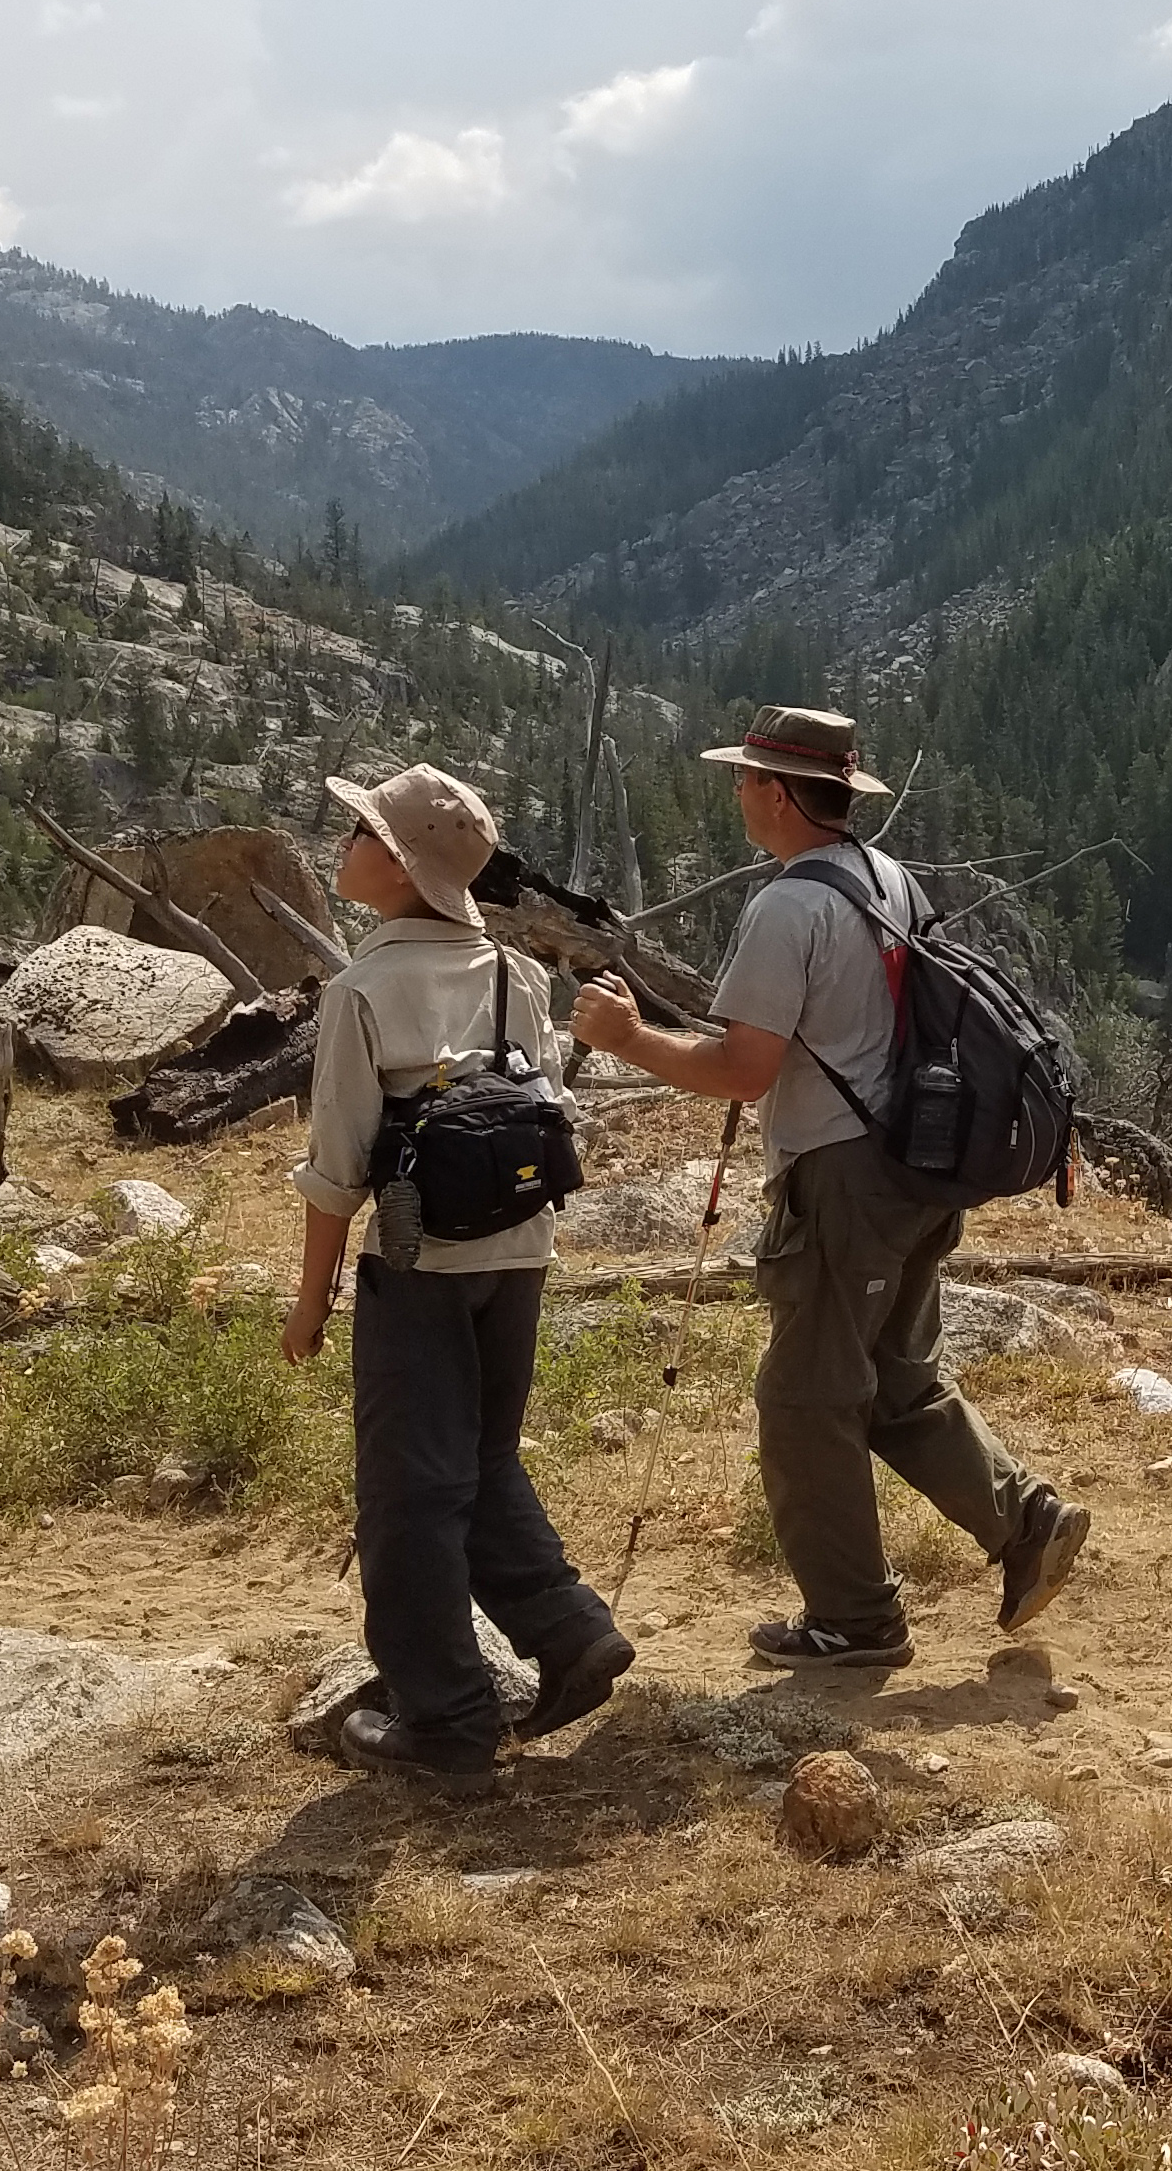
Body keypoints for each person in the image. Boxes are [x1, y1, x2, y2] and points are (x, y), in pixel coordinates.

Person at [564, 704, 1088, 1670]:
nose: (735, 793)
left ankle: (855, 1619)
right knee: (894, 1383)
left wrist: (627, 1040)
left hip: (841, 1180)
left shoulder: (787, 908)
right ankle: (1026, 1522)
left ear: (776, 791)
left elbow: (743, 1071)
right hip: (917, 1166)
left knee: (806, 1402)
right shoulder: (889, 880)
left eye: (745, 778)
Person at [284, 762, 635, 1786]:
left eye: (359, 833)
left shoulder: (362, 992)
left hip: (421, 1262)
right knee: (477, 1461)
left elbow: (336, 1171)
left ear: (396, 869)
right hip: (518, 1256)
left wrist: (311, 1304)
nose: (341, 843)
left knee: (407, 1494)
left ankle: (443, 1718)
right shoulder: (515, 977)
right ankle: (568, 1632)